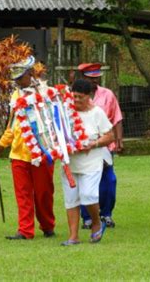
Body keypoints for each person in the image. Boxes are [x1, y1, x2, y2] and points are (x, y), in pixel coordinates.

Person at [0, 55, 56, 240]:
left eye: (20, 78)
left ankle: (47, 225)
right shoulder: (16, 95)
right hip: (19, 153)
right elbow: (13, 124)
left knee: (44, 193)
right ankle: (25, 230)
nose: (18, 82)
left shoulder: (45, 92)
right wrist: (1, 144)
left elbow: (53, 122)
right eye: (16, 79)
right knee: (22, 194)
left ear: (30, 74)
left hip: (42, 151)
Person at [60, 78, 115, 246]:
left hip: (91, 161)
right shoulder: (65, 111)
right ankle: (73, 236)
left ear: (89, 96)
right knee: (71, 199)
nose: (76, 100)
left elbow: (110, 135)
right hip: (70, 162)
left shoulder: (97, 112)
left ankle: (97, 222)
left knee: (88, 196)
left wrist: (94, 143)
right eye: (74, 96)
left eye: (80, 97)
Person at [78, 63, 123, 229]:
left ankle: (106, 214)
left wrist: (119, 139)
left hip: (104, 144)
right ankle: (87, 217)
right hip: (84, 146)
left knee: (109, 180)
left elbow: (117, 117)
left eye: (97, 77)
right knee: (85, 181)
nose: (95, 80)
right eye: (91, 78)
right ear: (83, 77)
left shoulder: (108, 94)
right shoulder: (76, 96)